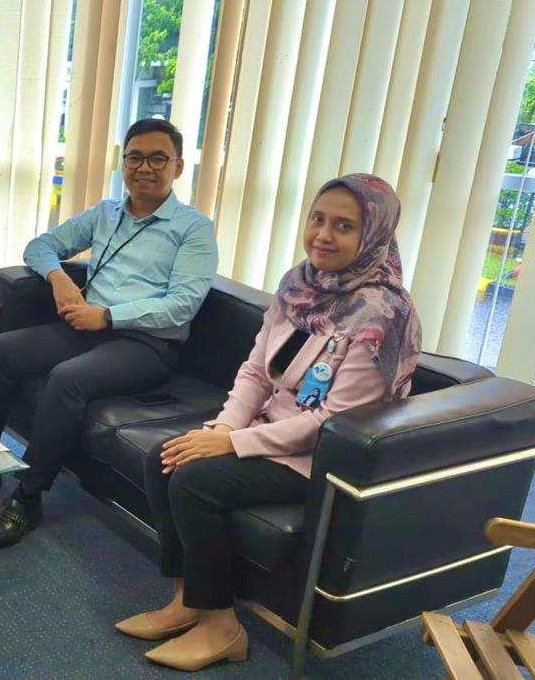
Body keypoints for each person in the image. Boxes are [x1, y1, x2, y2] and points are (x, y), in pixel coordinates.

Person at [116, 173, 422, 672]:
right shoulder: (300, 285)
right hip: (267, 431)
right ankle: (187, 599)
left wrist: (235, 445)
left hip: (320, 458)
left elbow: (332, 421)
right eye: (318, 219)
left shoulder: (380, 316)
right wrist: (223, 428)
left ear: (374, 235)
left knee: (193, 482)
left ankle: (222, 627)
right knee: (164, 459)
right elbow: (257, 370)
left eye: (344, 226)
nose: (323, 234)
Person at [0, 118, 219, 550]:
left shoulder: (194, 228)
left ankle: (28, 497)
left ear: (178, 167)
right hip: (86, 327)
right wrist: (59, 279)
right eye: (135, 157)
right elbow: (40, 246)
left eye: (158, 158)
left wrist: (108, 316)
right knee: (0, 351)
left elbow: (183, 303)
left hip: (146, 344)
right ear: (123, 163)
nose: (144, 167)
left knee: (66, 379)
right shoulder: (106, 213)